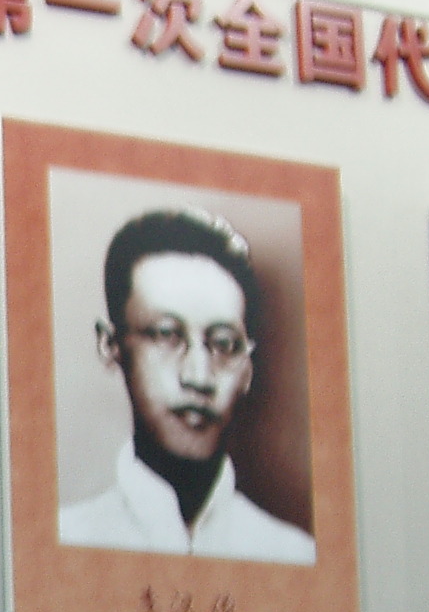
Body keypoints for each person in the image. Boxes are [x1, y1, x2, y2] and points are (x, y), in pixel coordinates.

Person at [56, 209, 314, 563]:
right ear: (110, 345)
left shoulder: (292, 554)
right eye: (167, 335)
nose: (198, 377)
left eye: (224, 344)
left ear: (247, 368)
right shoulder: (67, 540)